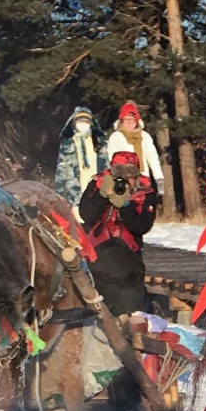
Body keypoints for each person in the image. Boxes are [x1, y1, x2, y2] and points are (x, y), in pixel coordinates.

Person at [77, 151, 157, 313]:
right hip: (97, 254)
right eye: (120, 178)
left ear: (137, 176)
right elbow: (86, 215)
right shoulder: (99, 184)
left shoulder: (146, 191)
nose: (125, 182)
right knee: (97, 306)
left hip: (129, 257)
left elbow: (141, 227)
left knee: (130, 307)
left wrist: (127, 205)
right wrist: (102, 197)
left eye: (130, 177)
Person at [105, 99, 164, 204]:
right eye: (126, 120)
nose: (129, 123)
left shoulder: (144, 136)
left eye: (132, 120)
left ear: (137, 121)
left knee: (142, 207)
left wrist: (159, 178)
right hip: (122, 179)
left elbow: (152, 158)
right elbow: (110, 158)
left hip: (142, 178)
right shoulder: (116, 137)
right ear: (121, 120)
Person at [54, 105, 105, 212]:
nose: (83, 125)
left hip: (97, 187)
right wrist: (61, 191)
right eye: (80, 122)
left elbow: (106, 163)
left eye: (86, 122)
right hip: (75, 188)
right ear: (74, 124)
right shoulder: (68, 143)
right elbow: (62, 168)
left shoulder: (99, 141)